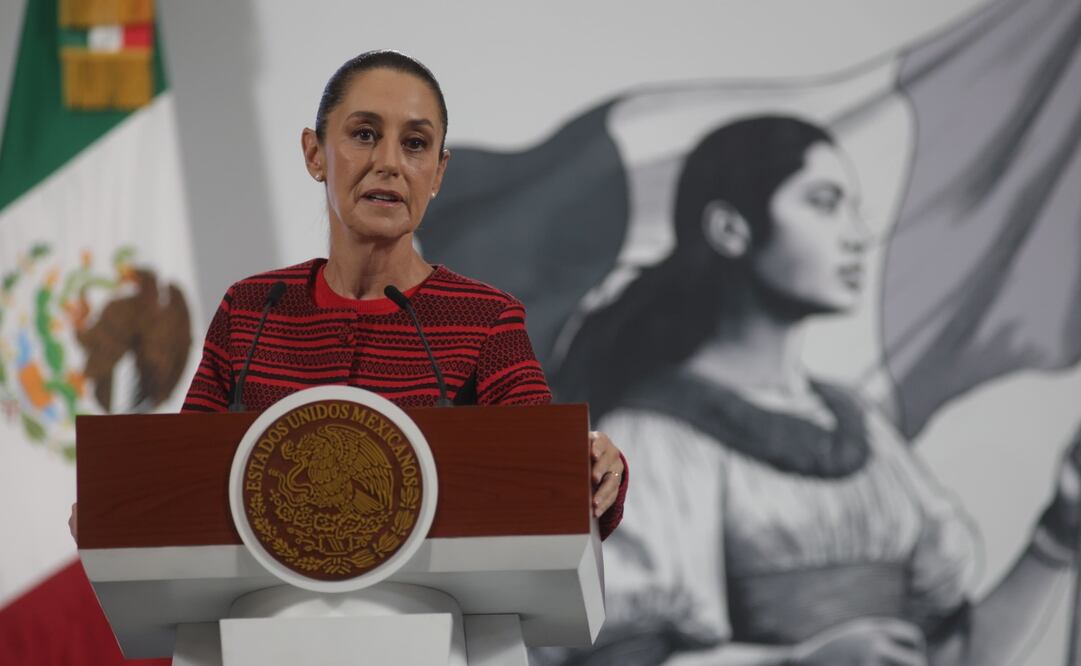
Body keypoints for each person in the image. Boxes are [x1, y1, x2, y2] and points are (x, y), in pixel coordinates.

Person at [545, 116, 1081, 665]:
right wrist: (797, 662)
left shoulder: (864, 429)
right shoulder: (652, 440)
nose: (856, 235)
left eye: (855, 209)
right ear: (732, 229)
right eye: (824, 203)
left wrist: (1060, 532)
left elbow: (954, 655)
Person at [71, 50, 626, 541]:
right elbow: (180, 477)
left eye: (415, 144)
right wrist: (116, 508)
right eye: (364, 134)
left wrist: (598, 466)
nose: (389, 161)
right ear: (315, 154)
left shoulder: (483, 320)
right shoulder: (252, 310)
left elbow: (553, 484)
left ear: (437, 173)